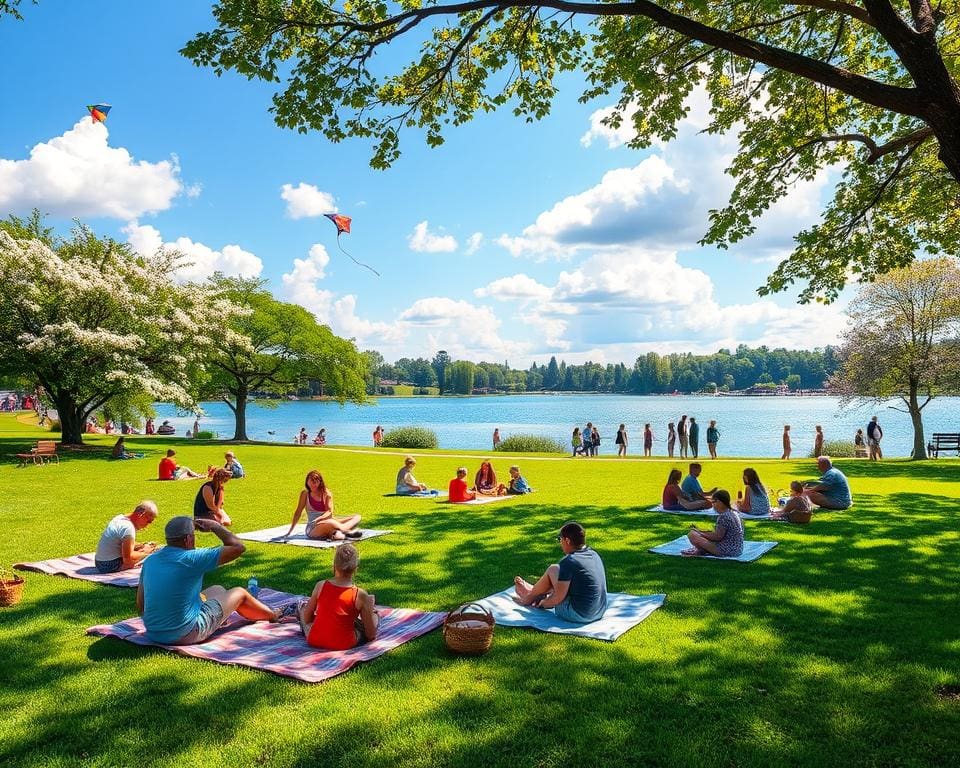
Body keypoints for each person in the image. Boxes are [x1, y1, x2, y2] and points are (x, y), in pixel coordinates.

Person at [138, 516, 297, 645]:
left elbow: (141, 605)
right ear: (188, 539)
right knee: (239, 593)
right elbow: (238, 547)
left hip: (154, 633)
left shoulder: (151, 560)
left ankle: (223, 617)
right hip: (186, 633)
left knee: (218, 590)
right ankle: (273, 615)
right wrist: (215, 526)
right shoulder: (192, 559)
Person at [512, 521, 607, 624]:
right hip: (599, 611)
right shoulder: (593, 554)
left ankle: (528, 598)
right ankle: (533, 592)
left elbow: (557, 599)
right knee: (554, 569)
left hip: (580, 615)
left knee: (552, 571)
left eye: (559, 539)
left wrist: (542, 604)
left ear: (567, 540)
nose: (560, 543)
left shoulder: (569, 561)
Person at [297, 543, 379, 650]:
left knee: (303, 609)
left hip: (315, 639)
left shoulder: (321, 585)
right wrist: (370, 609)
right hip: (343, 643)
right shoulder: (359, 594)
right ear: (356, 569)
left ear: (334, 565)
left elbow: (307, 617)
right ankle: (371, 609)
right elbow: (370, 634)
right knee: (374, 616)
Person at [284, 470, 362, 539]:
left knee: (357, 517)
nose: (313, 484)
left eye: (316, 481)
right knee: (331, 523)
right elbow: (298, 512)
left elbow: (329, 511)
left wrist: (320, 518)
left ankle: (343, 534)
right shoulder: (305, 494)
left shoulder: (326, 494)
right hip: (313, 528)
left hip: (330, 522)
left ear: (320, 482)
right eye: (311, 481)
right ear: (307, 481)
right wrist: (290, 531)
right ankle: (346, 531)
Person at [94, 501, 159, 573]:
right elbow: (128, 559)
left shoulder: (119, 518)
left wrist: (142, 545)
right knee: (151, 557)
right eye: (149, 521)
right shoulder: (128, 528)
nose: (148, 525)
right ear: (141, 515)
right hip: (109, 565)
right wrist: (149, 554)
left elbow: (122, 543)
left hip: (99, 562)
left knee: (145, 550)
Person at [684, 490, 744, 557]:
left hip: (727, 551)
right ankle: (703, 549)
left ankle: (702, 550)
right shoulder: (735, 513)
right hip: (738, 550)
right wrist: (702, 532)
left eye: (713, 502)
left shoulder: (723, 516)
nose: (713, 506)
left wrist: (700, 533)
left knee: (692, 534)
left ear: (719, 502)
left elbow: (717, 537)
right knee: (698, 533)